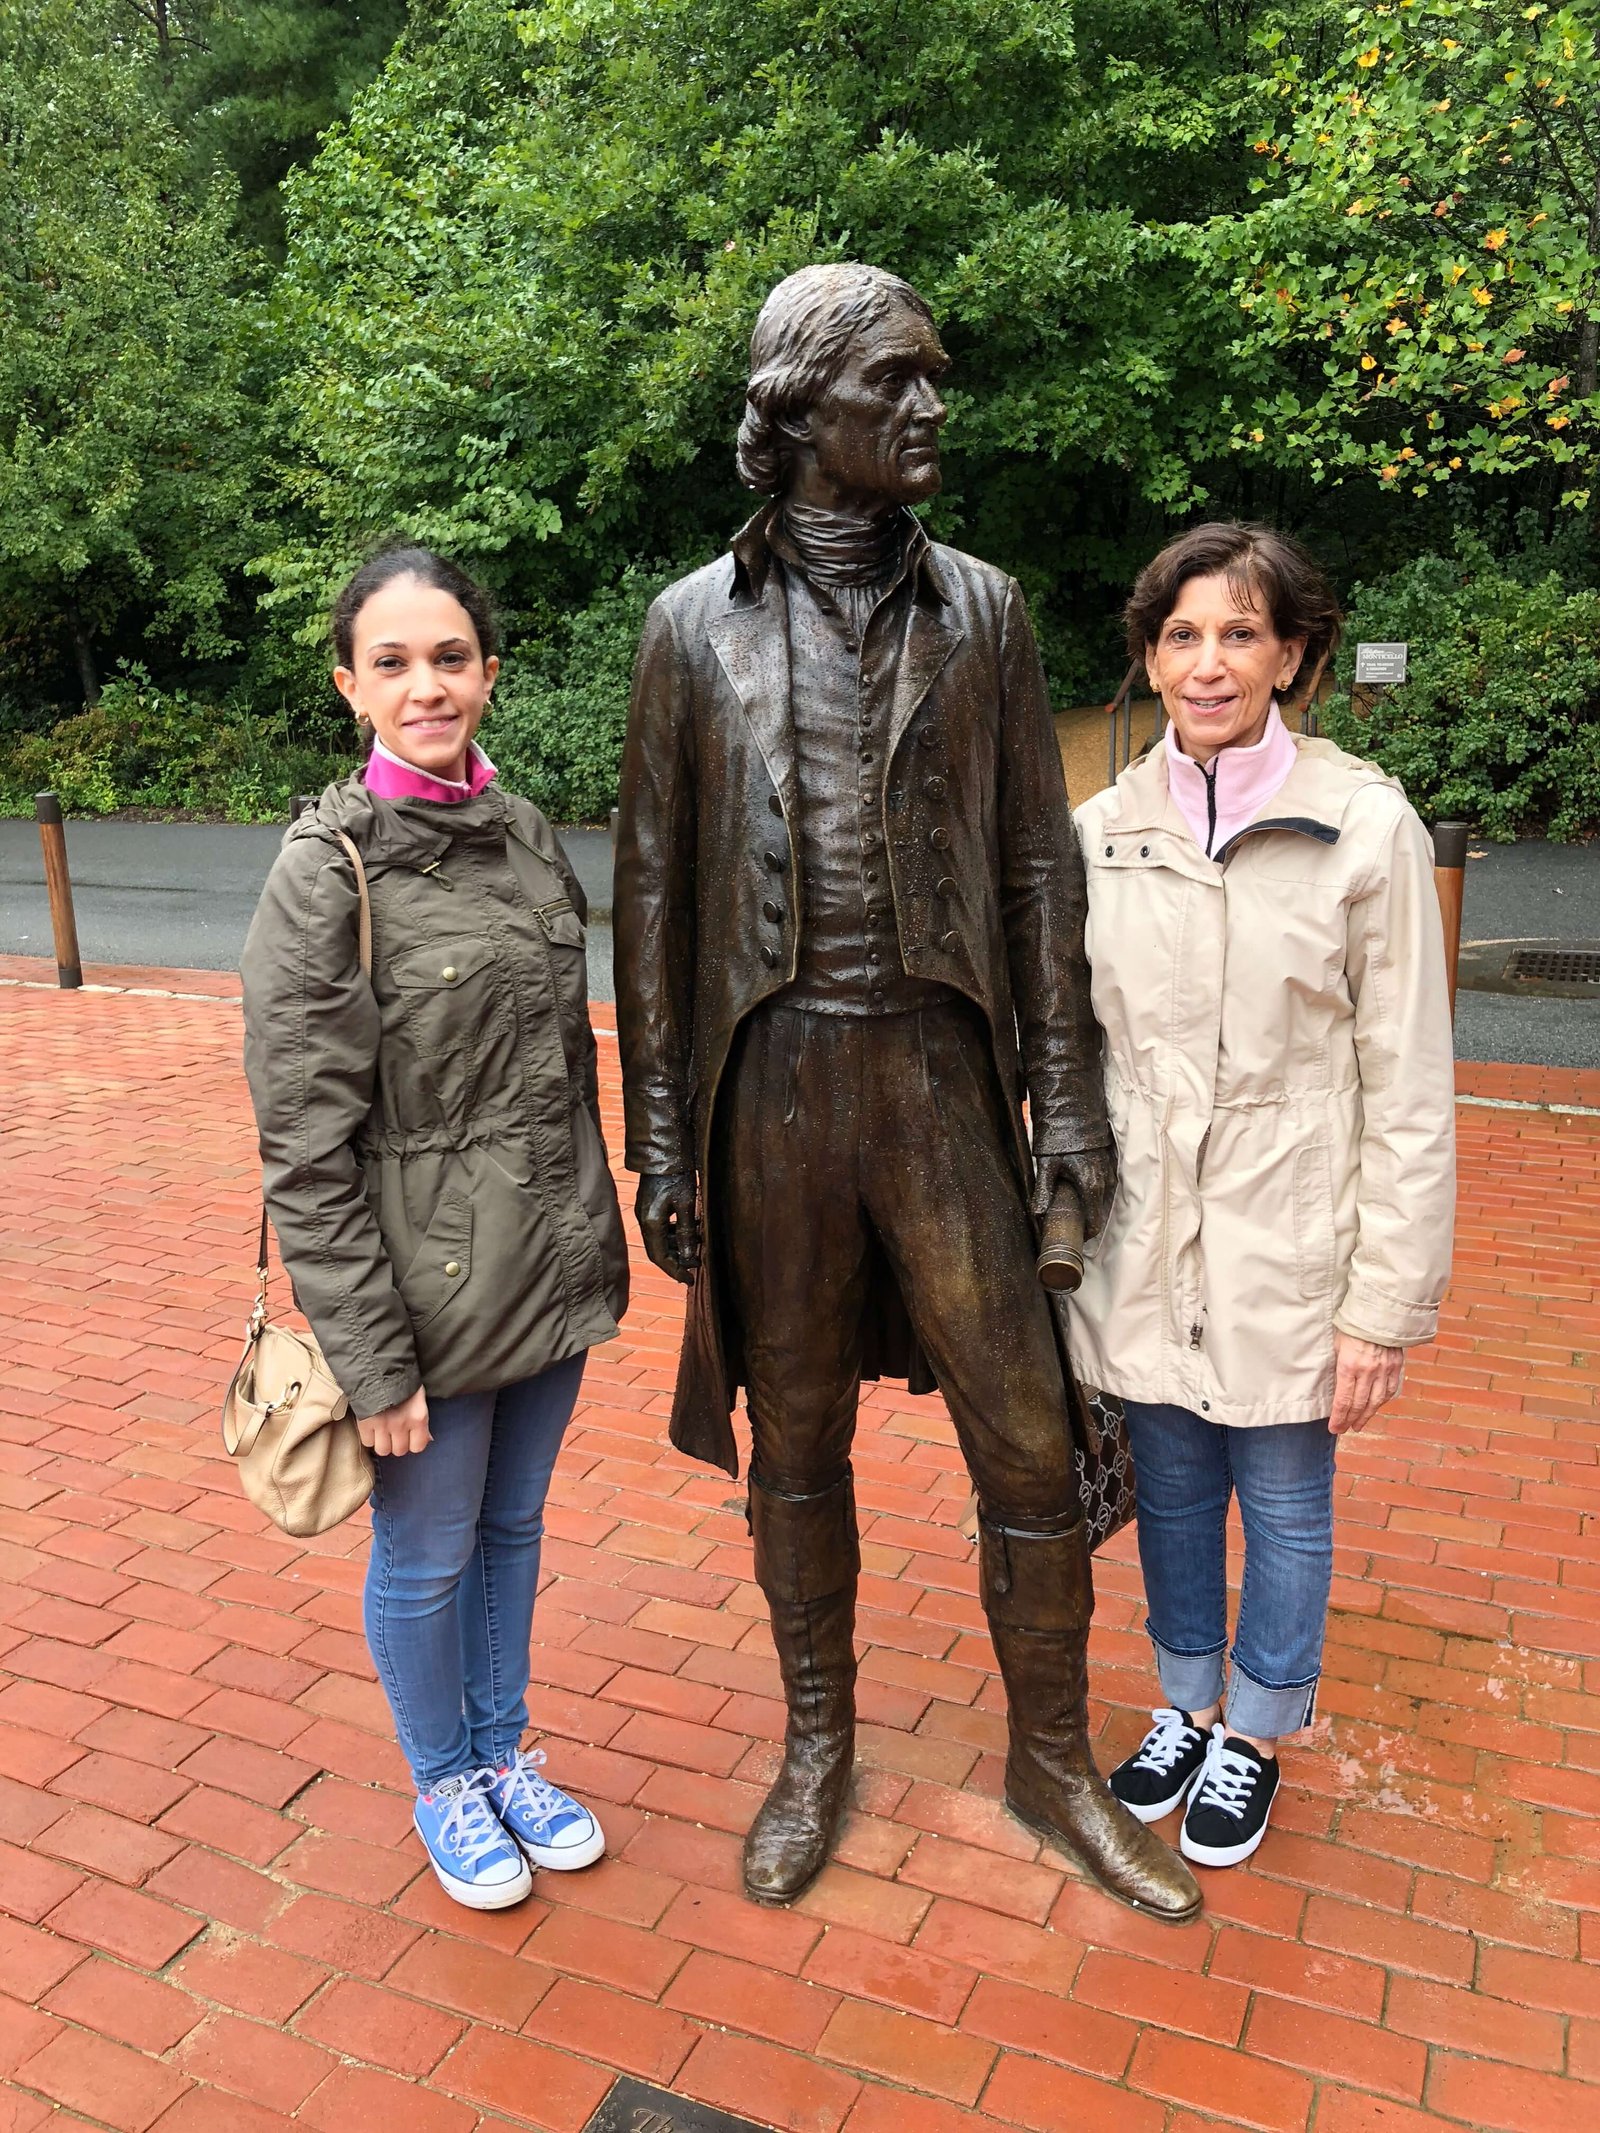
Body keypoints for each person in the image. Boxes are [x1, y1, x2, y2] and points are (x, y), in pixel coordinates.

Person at [614, 262, 1201, 1923]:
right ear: (802, 413)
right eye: (897, 383)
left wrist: (1063, 1103)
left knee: (1028, 1430)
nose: (932, 409)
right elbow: (649, 892)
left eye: (935, 379)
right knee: (788, 1430)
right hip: (768, 1085)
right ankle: (817, 1742)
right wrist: (660, 1129)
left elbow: (1037, 869)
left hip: (942, 1076)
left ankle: (1053, 1757)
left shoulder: (988, 611)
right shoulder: (685, 628)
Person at [240, 548, 628, 1910]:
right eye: (393, 662)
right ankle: (444, 1777)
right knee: (426, 1549)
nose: (427, 685)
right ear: (350, 684)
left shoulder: (524, 832)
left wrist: (600, 1233)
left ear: (489, 673)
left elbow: (565, 1070)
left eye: (450, 657)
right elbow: (306, 1147)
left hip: (551, 1260)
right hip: (420, 1294)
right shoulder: (323, 873)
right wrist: (371, 1355)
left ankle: (504, 1744)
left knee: (513, 1527)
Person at [1067, 522, 1456, 1868]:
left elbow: (1407, 1085)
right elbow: (1062, 1052)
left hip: (1297, 1236)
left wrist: (1382, 1308)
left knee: (1285, 1497)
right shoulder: (1101, 834)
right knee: (1171, 1490)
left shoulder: (1366, 826)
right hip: (1149, 1235)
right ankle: (1187, 1703)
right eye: (1182, 635)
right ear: (1152, 655)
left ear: (1293, 652)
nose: (1210, 662)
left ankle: (1260, 1729)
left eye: (1240, 633)